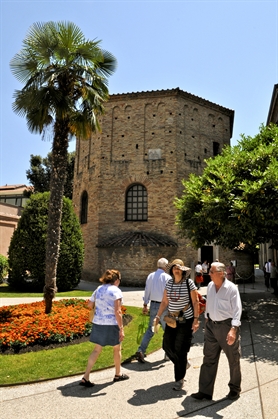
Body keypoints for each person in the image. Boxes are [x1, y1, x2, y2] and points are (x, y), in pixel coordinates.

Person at [191, 262, 242, 401]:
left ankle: (234, 389)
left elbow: (237, 310)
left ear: (221, 273)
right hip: (211, 327)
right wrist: (207, 318)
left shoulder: (231, 288)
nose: (209, 273)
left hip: (226, 327)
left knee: (233, 359)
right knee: (208, 359)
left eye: (212, 271)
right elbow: (210, 304)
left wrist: (233, 329)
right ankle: (205, 392)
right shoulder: (211, 286)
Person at [154, 259, 199, 391]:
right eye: (174, 268)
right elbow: (164, 302)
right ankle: (182, 364)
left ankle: (179, 379)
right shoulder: (169, 283)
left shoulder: (188, 283)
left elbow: (195, 302)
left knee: (180, 349)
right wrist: (157, 316)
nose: (176, 269)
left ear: (183, 270)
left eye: (178, 268)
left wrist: (196, 319)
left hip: (186, 320)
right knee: (166, 345)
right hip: (172, 320)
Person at [79, 269, 129, 387]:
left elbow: (89, 305)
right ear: (116, 280)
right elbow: (118, 311)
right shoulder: (116, 291)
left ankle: (86, 376)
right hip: (111, 324)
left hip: (98, 322)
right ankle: (118, 374)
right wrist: (121, 328)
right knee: (117, 348)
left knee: (97, 349)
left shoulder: (99, 289)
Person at [136, 258, 172, 363]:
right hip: (164, 305)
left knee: (150, 329)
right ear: (165, 267)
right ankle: (168, 353)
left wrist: (145, 304)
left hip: (154, 304)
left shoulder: (151, 276)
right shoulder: (167, 278)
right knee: (168, 331)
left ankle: (141, 349)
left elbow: (147, 290)